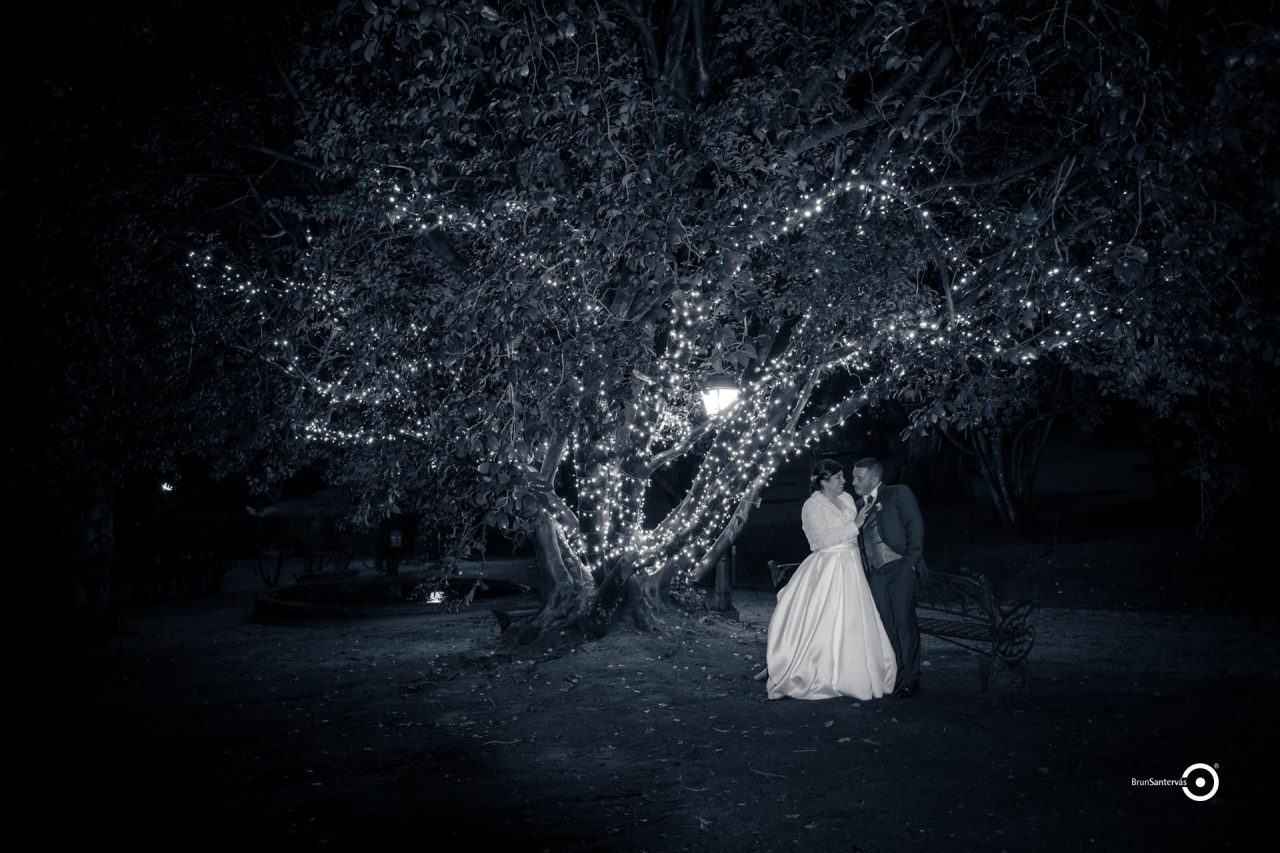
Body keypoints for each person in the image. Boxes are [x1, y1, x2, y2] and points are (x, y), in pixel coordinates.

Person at [761, 459, 897, 700]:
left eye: (843, 476)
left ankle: (856, 672)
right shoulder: (811, 506)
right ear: (824, 482)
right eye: (838, 478)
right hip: (829, 566)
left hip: (852, 565)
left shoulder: (846, 499)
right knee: (826, 617)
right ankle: (818, 672)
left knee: (854, 620)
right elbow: (819, 541)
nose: (844, 481)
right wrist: (855, 525)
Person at [849, 457, 927, 698]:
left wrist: (911, 561)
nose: (854, 483)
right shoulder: (857, 505)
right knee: (885, 623)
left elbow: (915, 526)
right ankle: (896, 674)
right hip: (876, 573)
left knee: (904, 622)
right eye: (853, 478)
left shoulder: (897, 493)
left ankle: (911, 678)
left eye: (859, 478)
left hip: (900, 566)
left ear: (874, 478)